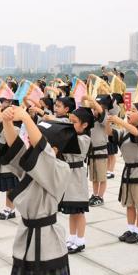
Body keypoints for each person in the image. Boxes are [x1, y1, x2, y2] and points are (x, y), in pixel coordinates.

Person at [0, 106, 73, 275]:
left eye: (36, 140)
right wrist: (7, 121)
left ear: (54, 150)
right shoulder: (32, 165)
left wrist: (26, 119)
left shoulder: (60, 169)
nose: (31, 143)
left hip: (48, 239)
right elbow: (15, 147)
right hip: (27, 236)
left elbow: (43, 150)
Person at [108, 102, 138, 244]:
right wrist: (106, 120)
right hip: (128, 171)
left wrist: (120, 121)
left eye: (133, 110)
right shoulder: (125, 131)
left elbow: (136, 133)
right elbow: (111, 133)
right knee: (130, 204)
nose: (129, 112)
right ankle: (131, 229)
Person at [59, 107, 93, 254]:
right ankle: (72, 237)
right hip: (68, 174)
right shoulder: (72, 134)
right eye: (69, 121)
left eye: (74, 122)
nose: (70, 124)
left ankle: (80, 240)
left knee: (78, 211)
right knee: (72, 210)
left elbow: (70, 143)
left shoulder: (85, 138)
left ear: (84, 125)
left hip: (77, 176)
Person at [83, 94, 119, 206]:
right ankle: (94, 194)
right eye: (93, 108)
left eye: (98, 107)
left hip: (101, 151)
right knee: (94, 177)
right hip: (92, 152)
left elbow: (103, 112)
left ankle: (100, 196)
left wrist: (93, 101)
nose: (95, 109)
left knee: (102, 177)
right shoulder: (91, 118)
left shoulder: (105, 118)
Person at [0, 99, 21, 220]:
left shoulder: (16, 126)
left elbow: (6, 132)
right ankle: (9, 208)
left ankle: (10, 209)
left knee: (11, 185)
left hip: (9, 158)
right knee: (8, 186)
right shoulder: (0, 121)